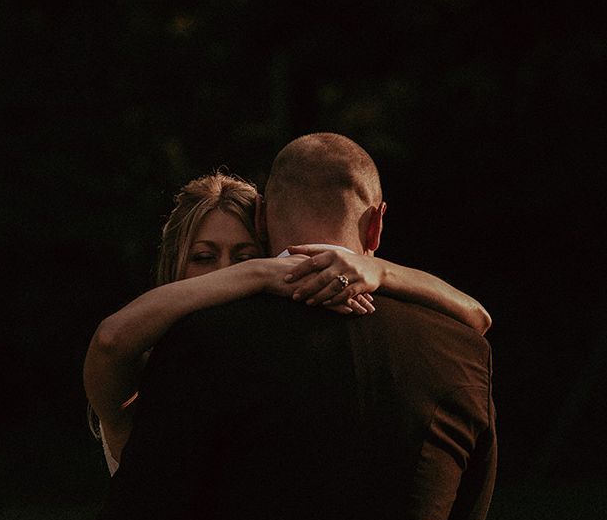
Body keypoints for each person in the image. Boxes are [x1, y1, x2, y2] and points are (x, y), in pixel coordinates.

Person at [87, 133, 496, 520]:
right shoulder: (462, 351)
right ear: (376, 225)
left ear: (261, 220)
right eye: (204, 258)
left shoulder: (204, 345)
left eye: (242, 257)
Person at [84, 172, 491, 475]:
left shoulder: (272, 363)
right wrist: (257, 273)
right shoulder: (144, 375)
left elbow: (477, 315)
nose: (222, 275)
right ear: (173, 266)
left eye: (244, 257)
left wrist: (378, 270)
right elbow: (109, 341)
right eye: (205, 257)